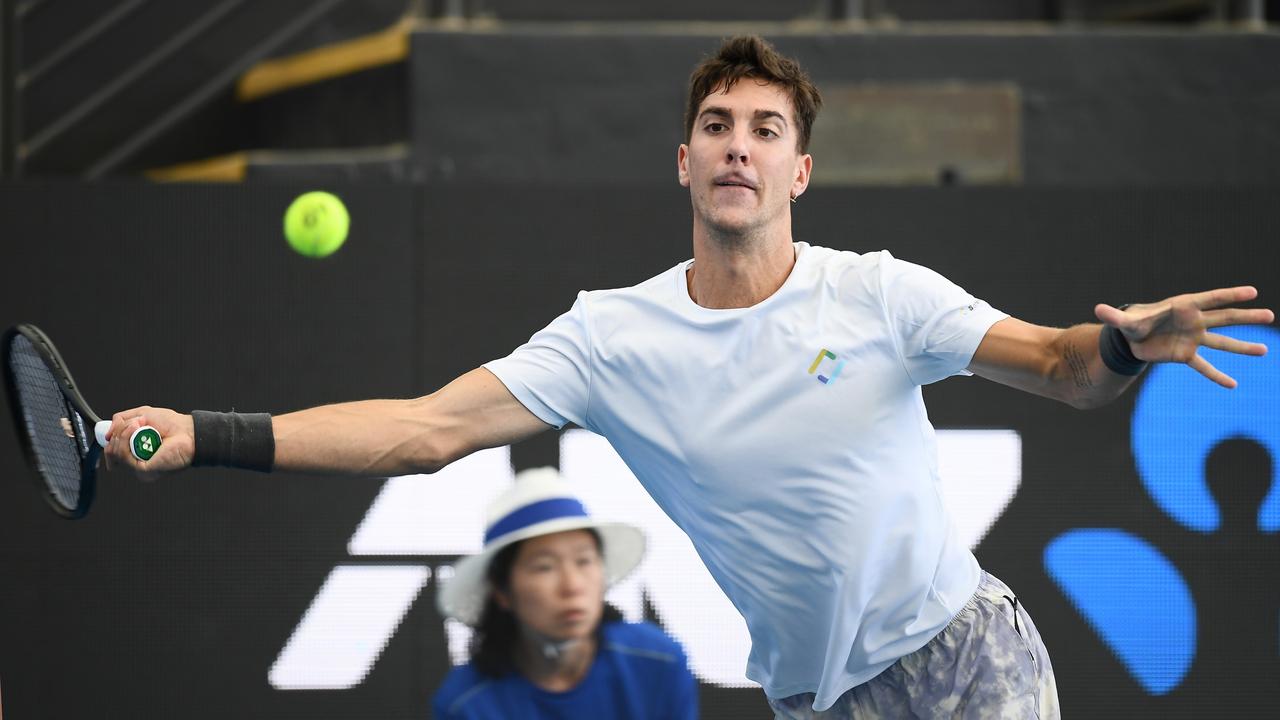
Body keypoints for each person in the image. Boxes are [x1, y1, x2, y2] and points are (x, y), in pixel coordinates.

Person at [104, 35, 1273, 719]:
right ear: (683, 159)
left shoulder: (877, 292)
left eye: (765, 130)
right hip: (817, 699)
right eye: (717, 124)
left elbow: (1062, 366)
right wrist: (210, 433)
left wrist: (1122, 344)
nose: (736, 144)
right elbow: (422, 430)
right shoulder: (610, 338)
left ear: (797, 171)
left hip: (967, 654)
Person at [431, 467, 698, 719]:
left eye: (583, 561)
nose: (572, 586)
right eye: (544, 567)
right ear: (502, 591)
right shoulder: (465, 703)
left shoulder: (658, 661)